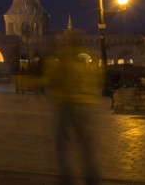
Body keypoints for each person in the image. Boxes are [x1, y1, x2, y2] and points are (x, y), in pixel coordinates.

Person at [45, 36, 103, 185]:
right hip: (86, 106)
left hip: (66, 106)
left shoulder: (61, 59)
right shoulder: (88, 57)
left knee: (63, 146)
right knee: (87, 146)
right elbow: (98, 79)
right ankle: (93, 178)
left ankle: (68, 179)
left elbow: (52, 81)